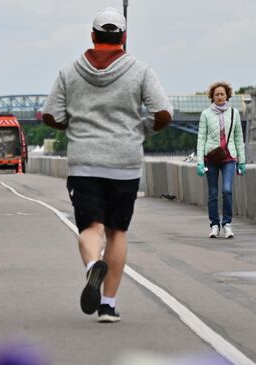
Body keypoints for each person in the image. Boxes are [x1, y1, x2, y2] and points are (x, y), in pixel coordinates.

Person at [42, 7, 173, 323]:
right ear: (123, 37)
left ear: (92, 36)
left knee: (91, 227)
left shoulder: (69, 72)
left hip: (85, 160)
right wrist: (139, 129)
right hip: (125, 162)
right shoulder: (140, 71)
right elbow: (164, 114)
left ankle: (91, 267)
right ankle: (108, 305)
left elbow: (50, 116)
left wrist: (75, 126)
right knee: (117, 232)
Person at [195, 81, 246, 239]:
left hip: (229, 158)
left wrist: (242, 161)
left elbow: (238, 137)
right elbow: (201, 138)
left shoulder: (234, 113)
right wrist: (200, 162)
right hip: (210, 158)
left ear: (227, 95)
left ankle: (227, 224)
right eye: (216, 94)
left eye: (222, 94)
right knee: (212, 193)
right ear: (212, 97)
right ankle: (215, 225)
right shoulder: (205, 114)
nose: (219, 97)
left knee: (227, 190)